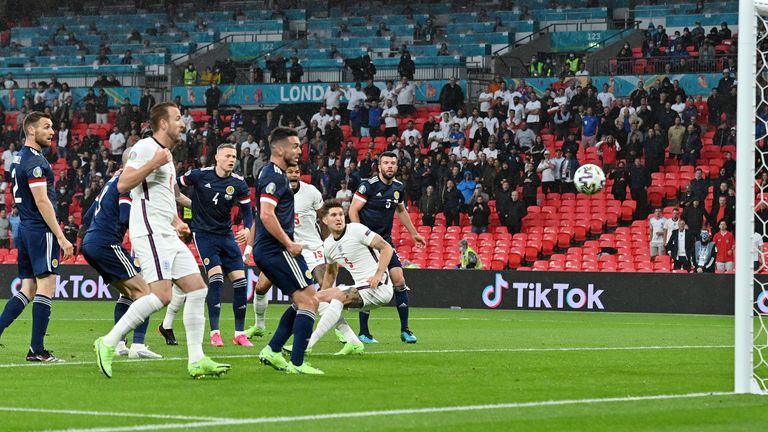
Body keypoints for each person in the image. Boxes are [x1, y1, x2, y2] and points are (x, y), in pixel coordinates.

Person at [94, 103, 230, 379]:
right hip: (150, 231)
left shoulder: (167, 155)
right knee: (162, 295)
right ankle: (108, 342)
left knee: (197, 288)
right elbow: (123, 184)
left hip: (165, 231)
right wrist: (153, 163)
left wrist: (176, 221)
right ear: (164, 124)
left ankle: (196, 359)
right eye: (178, 118)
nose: (183, 123)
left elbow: (162, 197)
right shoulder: (146, 148)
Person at [158, 143, 253, 348]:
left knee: (241, 283)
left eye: (234, 156)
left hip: (226, 236)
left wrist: (247, 228)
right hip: (204, 235)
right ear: (217, 158)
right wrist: (177, 198)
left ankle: (239, 333)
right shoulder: (199, 175)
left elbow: (248, 213)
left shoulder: (238, 183)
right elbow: (173, 183)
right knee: (216, 278)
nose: (231, 159)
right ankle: (215, 333)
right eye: (227, 155)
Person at [0, 112, 74, 362]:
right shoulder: (35, 162)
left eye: (52, 127)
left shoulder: (19, 158)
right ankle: (37, 350)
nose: (52, 131)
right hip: (41, 230)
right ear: (31, 130)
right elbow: (42, 201)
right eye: (46, 127)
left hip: (25, 228)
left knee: (28, 288)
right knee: (46, 286)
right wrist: (61, 237)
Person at [253, 127, 323, 375]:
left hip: (270, 249)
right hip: (276, 249)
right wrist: (289, 243)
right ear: (279, 149)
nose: (299, 150)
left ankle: (273, 350)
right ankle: (297, 362)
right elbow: (265, 214)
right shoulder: (274, 177)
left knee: (303, 300)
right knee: (309, 301)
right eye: (294, 146)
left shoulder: (272, 173)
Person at [81, 154, 160, 360]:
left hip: (91, 243)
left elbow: (87, 216)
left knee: (128, 294)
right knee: (147, 292)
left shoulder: (110, 183)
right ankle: (138, 345)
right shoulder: (127, 182)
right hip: (107, 242)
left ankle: (119, 344)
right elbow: (126, 216)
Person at [349, 151, 425, 344]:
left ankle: (405, 330)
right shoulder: (368, 186)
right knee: (370, 284)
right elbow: (353, 210)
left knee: (399, 279)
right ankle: (364, 332)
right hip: (368, 242)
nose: (390, 166)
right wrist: (361, 236)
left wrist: (414, 233)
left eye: (393, 163)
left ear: (397, 167)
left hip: (385, 241)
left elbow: (401, 210)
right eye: (386, 163)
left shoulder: (399, 187)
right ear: (379, 166)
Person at [303, 199, 396, 355]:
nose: (339, 218)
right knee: (318, 299)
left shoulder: (356, 230)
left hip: (379, 286)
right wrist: (322, 296)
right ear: (325, 220)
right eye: (333, 215)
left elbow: (386, 247)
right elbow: (331, 272)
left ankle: (306, 345)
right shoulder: (328, 245)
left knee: (338, 296)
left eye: (341, 214)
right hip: (361, 289)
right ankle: (353, 342)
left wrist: (378, 274)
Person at [243, 163, 325, 341]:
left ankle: (344, 335)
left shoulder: (311, 192)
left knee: (325, 289)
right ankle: (259, 326)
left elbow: (325, 218)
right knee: (261, 288)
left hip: (312, 249)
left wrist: (330, 245)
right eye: (290, 172)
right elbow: (260, 221)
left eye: (297, 172)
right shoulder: (275, 192)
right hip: (286, 249)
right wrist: (248, 248)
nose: (294, 175)